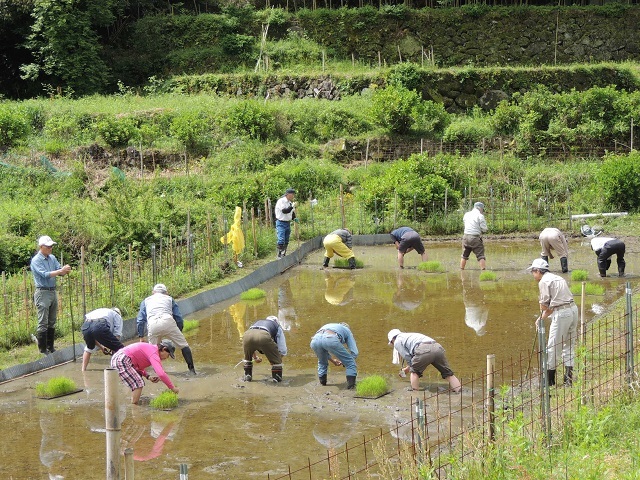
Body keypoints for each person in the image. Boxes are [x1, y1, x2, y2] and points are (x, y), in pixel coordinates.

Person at [527, 258, 579, 386]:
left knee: (552, 347)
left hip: (562, 314)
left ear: (538, 271)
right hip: (573, 309)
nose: (533, 275)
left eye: (533, 272)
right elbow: (552, 306)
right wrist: (541, 318)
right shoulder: (557, 278)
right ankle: (568, 380)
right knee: (569, 345)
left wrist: (541, 313)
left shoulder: (544, 281)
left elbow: (545, 306)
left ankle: (549, 381)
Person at [136, 283, 196, 375]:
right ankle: (192, 371)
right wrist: (178, 331)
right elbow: (178, 317)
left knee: (152, 351)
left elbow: (140, 320)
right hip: (168, 321)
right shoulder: (169, 299)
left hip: (153, 324)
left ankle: (156, 372)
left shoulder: (146, 301)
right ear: (166, 293)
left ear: (153, 293)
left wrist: (141, 336)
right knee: (184, 345)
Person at [30, 235, 72, 354]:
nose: (50, 248)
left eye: (51, 246)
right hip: (42, 292)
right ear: (41, 247)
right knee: (43, 321)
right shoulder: (36, 261)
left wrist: (65, 270)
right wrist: (60, 271)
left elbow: (59, 271)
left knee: (52, 320)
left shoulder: (52, 258)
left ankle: (50, 347)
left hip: (52, 291)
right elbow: (45, 274)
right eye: (48, 246)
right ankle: (43, 350)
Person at [387, 329, 462, 392]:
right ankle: (459, 392)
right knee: (448, 374)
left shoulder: (397, 341)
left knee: (414, 373)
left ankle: (415, 394)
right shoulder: (410, 335)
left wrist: (410, 368)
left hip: (423, 349)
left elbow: (407, 357)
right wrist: (408, 368)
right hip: (437, 347)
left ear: (392, 340)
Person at [110, 339, 179, 405]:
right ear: (164, 349)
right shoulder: (154, 353)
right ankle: (134, 407)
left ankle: (133, 401)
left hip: (119, 358)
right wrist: (172, 388)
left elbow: (137, 366)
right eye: (168, 355)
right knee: (139, 383)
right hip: (121, 360)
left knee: (137, 380)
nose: (167, 358)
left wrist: (148, 376)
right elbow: (161, 374)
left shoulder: (152, 350)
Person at [310, 322, 358, 389]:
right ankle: (351, 386)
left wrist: (332, 360)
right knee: (350, 363)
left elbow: (323, 346)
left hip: (315, 340)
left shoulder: (329, 325)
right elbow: (355, 352)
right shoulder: (347, 330)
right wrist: (346, 362)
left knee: (322, 361)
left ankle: (323, 383)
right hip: (330, 338)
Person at [242, 315, 288, 382]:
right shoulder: (277, 326)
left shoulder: (257, 322)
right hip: (264, 336)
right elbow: (283, 349)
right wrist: (275, 360)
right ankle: (277, 379)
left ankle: (247, 376)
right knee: (277, 362)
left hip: (247, 335)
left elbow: (251, 341)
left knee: (247, 359)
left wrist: (255, 358)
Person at [81, 307, 125, 371]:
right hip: (99, 325)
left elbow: (93, 336)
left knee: (89, 347)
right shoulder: (117, 315)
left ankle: (83, 370)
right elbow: (117, 336)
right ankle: (124, 367)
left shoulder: (103, 312)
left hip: (86, 326)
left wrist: (101, 347)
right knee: (120, 348)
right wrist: (112, 347)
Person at [460, 202, 488, 270]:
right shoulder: (480, 216)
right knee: (480, 256)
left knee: (464, 255)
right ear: (480, 209)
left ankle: (461, 269)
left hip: (465, 237)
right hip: (475, 238)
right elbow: (484, 229)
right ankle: (483, 271)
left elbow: (465, 223)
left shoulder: (466, 214)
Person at [274, 188, 297, 258]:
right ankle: (279, 254)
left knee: (286, 239)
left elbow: (292, 212)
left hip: (287, 223)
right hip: (281, 222)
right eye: (293, 195)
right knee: (281, 239)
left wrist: (294, 218)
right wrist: (292, 206)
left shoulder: (290, 203)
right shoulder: (281, 201)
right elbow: (285, 211)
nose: (293, 196)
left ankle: (283, 254)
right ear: (288, 195)